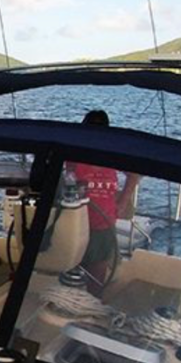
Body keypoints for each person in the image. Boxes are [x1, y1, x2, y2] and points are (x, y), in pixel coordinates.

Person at [70, 110, 140, 292]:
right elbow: (64, 180)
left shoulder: (111, 154)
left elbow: (134, 174)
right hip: (78, 225)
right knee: (71, 275)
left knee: (96, 281)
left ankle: (91, 308)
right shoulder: (74, 154)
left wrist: (123, 202)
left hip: (104, 226)